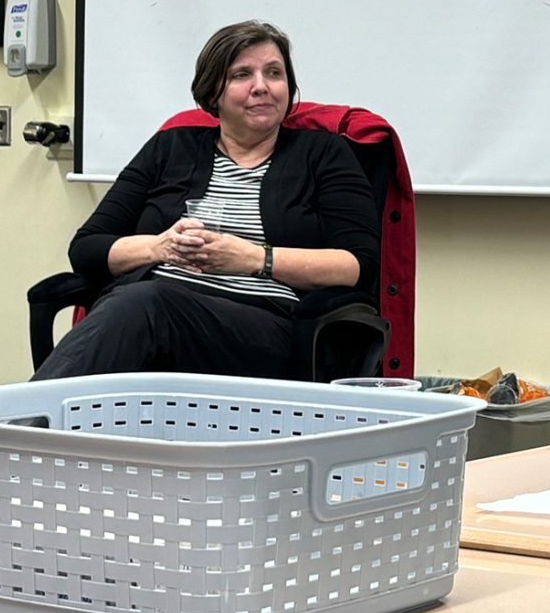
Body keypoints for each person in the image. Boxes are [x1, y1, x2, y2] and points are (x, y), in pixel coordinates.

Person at [32, 20, 380, 381]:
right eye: (242, 75)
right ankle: (28, 428)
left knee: (148, 306)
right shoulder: (170, 148)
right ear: (212, 92)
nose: (262, 87)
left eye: (274, 73)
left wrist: (252, 258)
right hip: (147, 310)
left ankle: (19, 428)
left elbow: (357, 263)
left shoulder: (323, 154)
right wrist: (160, 248)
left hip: (262, 327)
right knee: (141, 309)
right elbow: (87, 248)